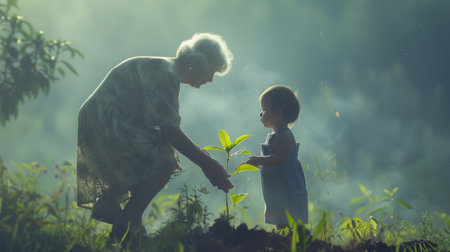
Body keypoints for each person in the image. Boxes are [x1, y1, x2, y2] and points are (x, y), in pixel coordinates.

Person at [76, 33, 234, 241]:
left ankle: (120, 216)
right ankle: (130, 223)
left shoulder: (165, 70)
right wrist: (208, 163)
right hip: (105, 121)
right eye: (211, 72)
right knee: (165, 159)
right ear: (197, 64)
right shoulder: (165, 73)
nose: (211, 79)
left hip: (103, 121)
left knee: (151, 156)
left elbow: (161, 126)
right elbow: (170, 131)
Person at [244, 85, 308, 229]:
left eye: (264, 110)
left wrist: (258, 160)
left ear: (279, 114)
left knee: (288, 220)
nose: (260, 114)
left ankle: (292, 242)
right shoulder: (274, 135)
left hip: (287, 186)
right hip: (277, 188)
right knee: (281, 220)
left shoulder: (284, 135)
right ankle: (283, 240)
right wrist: (254, 162)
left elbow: (280, 158)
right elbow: (269, 159)